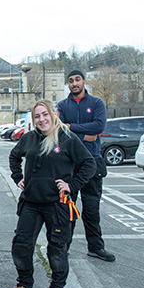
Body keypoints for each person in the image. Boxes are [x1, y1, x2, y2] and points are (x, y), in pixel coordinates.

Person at [0, 100, 96, 288]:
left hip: (57, 204)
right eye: (37, 116)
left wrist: (72, 185)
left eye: (45, 114)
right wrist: (18, 178)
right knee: (21, 245)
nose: (41, 119)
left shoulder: (68, 139)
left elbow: (89, 164)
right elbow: (14, 156)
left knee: (57, 249)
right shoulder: (29, 138)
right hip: (31, 202)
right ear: (33, 119)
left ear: (53, 114)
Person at [56, 70, 115, 262]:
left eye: (77, 80)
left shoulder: (96, 103)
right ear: (68, 84)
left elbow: (99, 127)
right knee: (67, 209)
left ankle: (96, 247)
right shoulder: (62, 105)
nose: (74, 83)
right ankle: (63, 247)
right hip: (69, 164)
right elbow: (59, 129)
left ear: (83, 81)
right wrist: (84, 135)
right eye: (71, 81)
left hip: (93, 162)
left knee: (92, 209)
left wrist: (72, 128)